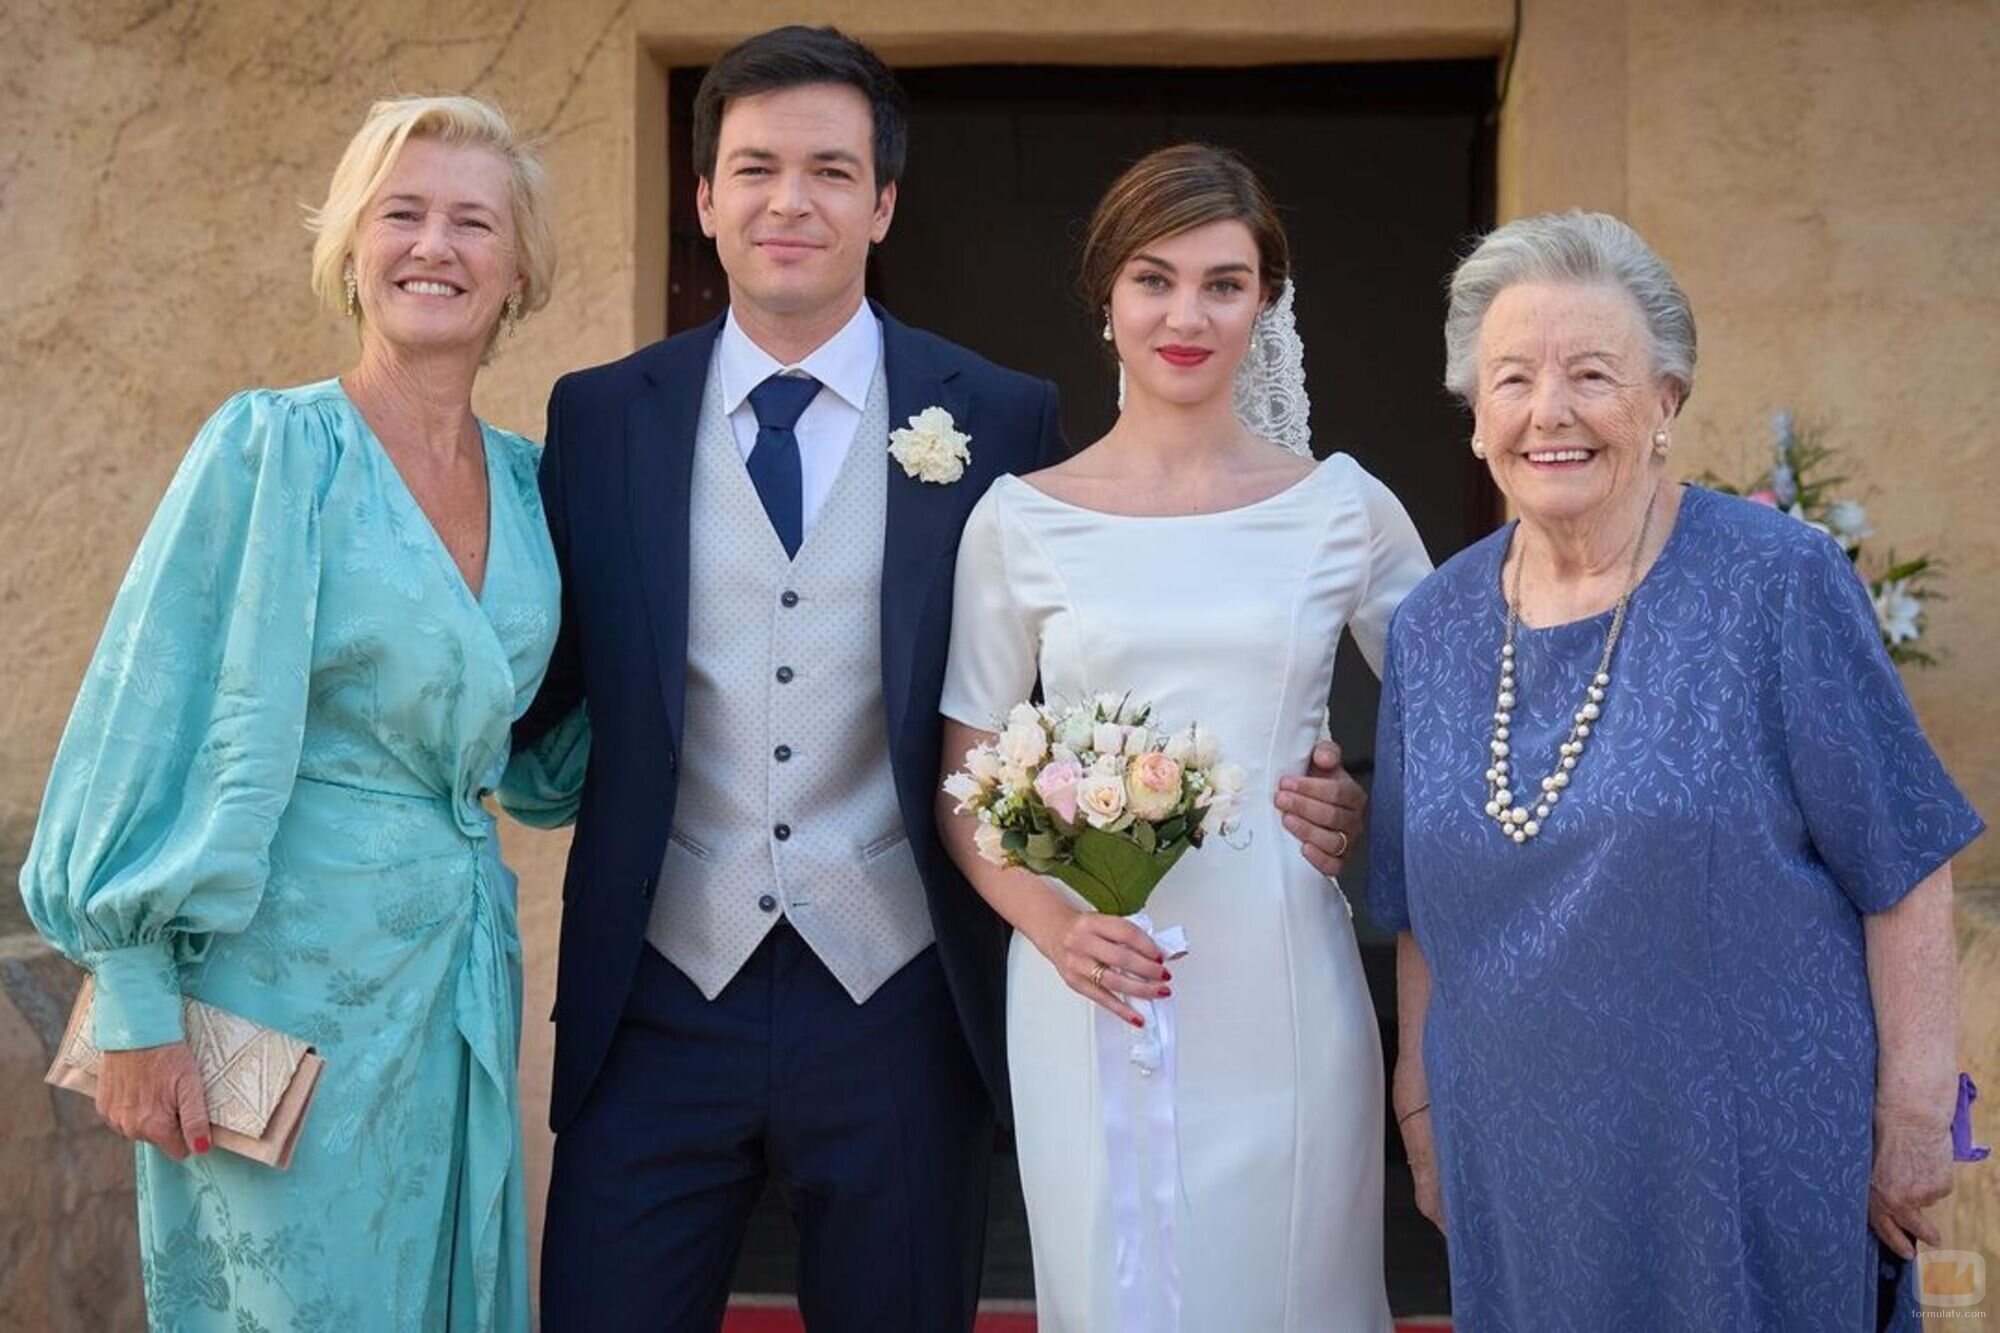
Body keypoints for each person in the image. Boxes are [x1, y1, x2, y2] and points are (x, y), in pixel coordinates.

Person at [504, 28, 1368, 1332]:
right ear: (705, 198)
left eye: (832, 171)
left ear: (884, 201)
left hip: (899, 1006)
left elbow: (1109, 647)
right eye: (756, 168)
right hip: (654, 1003)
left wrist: (1303, 776)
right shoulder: (598, 416)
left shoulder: (1001, 416)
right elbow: (537, 671)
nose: (791, 201)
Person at [1367, 210, 1983, 1330]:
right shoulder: (1432, 626)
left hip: (1743, 1158)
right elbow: (1418, 909)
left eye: (1590, 373)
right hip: (1517, 1163)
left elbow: (1900, 860)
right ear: (1473, 418)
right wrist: (1418, 1112)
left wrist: (1910, 1112)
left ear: (1663, 403)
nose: (1547, 409)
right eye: (1510, 378)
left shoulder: (1776, 582)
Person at [18, 95, 559, 1330]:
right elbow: (141, 722)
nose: (436, 245)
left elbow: (532, 752)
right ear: (351, 248)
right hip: (265, 984)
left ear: (517, 265)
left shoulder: (530, 485)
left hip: (450, 974)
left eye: (473, 220)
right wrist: (140, 1008)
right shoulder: (270, 449)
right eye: (401, 213)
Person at [935, 143, 1430, 1331]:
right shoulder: (1019, 519)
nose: (1187, 314)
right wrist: (1057, 929)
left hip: (1281, 976)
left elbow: (1464, 710)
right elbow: (962, 771)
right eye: (1154, 279)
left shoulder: (1341, 506)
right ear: (1105, 296)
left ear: (1266, 303)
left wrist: (1370, 812)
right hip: (1087, 975)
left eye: (1224, 282)